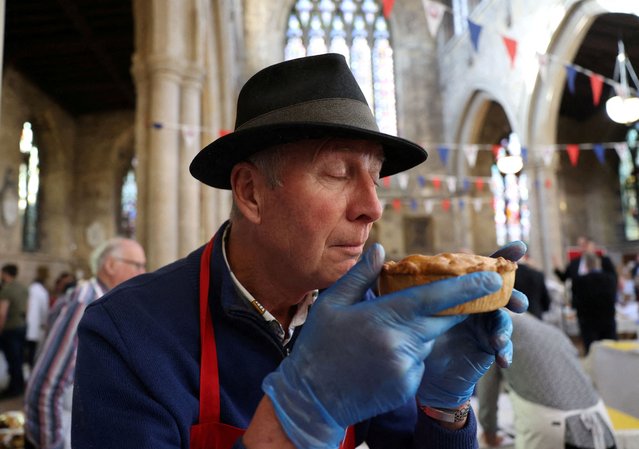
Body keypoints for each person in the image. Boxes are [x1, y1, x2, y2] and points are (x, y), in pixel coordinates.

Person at [72, 54, 528, 449]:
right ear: (251, 192)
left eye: (375, 176)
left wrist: (443, 409)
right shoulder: (128, 334)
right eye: (337, 171)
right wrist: (304, 411)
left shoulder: (366, 316)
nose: (372, 208)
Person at [24, 237, 146, 449]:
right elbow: (46, 385)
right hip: (64, 435)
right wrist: (51, 444)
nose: (144, 273)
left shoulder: (103, 303)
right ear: (110, 265)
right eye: (138, 265)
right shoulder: (86, 303)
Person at [476, 312, 616, 449]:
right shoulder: (547, 329)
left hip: (555, 430)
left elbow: (487, 391)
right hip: (601, 424)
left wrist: (489, 433)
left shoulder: (494, 330)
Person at [571, 251, 618, 355]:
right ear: (598, 264)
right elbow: (613, 298)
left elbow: (576, 302)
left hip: (588, 323)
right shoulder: (610, 279)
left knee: (593, 355)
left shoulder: (579, 281)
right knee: (612, 353)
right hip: (608, 322)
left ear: (586, 265)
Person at [0, 264, 29, 398]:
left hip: (10, 328)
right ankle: (19, 385)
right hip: (21, 326)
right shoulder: (23, 287)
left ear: (5, 273)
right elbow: (27, 308)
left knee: (12, 360)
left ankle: (14, 389)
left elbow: (2, 313)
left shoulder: (7, 289)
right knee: (18, 358)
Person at [25, 265, 50, 370]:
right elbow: (45, 310)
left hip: (25, 324)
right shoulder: (43, 292)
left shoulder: (29, 289)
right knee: (32, 350)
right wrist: (45, 322)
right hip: (36, 325)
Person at [513, 255, 550, 320]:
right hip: (535, 312)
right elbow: (545, 297)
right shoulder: (538, 274)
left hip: (516, 314)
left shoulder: (511, 275)